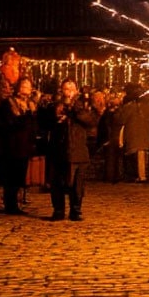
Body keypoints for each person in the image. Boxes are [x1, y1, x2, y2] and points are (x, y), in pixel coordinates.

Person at [43, 80, 98, 221]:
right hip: (58, 149)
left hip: (78, 149)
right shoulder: (54, 105)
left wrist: (75, 109)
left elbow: (90, 121)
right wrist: (56, 116)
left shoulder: (83, 105)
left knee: (77, 185)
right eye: (66, 89)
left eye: (71, 89)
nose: (69, 92)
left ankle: (76, 210)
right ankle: (58, 210)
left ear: (76, 90)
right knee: (57, 183)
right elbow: (45, 122)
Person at [0, 76, 38, 215]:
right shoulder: (8, 103)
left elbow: (33, 125)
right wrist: (25, 116)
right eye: (23, 86)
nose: (25, 89)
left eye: (28, 86)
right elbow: (9, 123)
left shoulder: (31, 105)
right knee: (10, 176)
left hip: (24, 145)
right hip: (11, 145)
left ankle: (15, 202)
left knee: (19, 175)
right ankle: (10, 204)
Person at [116, 84, 149, 182]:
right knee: (142, 153)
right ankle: (142, 174)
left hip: (133, 133)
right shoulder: (148, 106)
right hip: (144, 132)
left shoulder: (130, 107)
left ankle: (140, 176)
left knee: (137, 154)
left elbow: (121, 119)